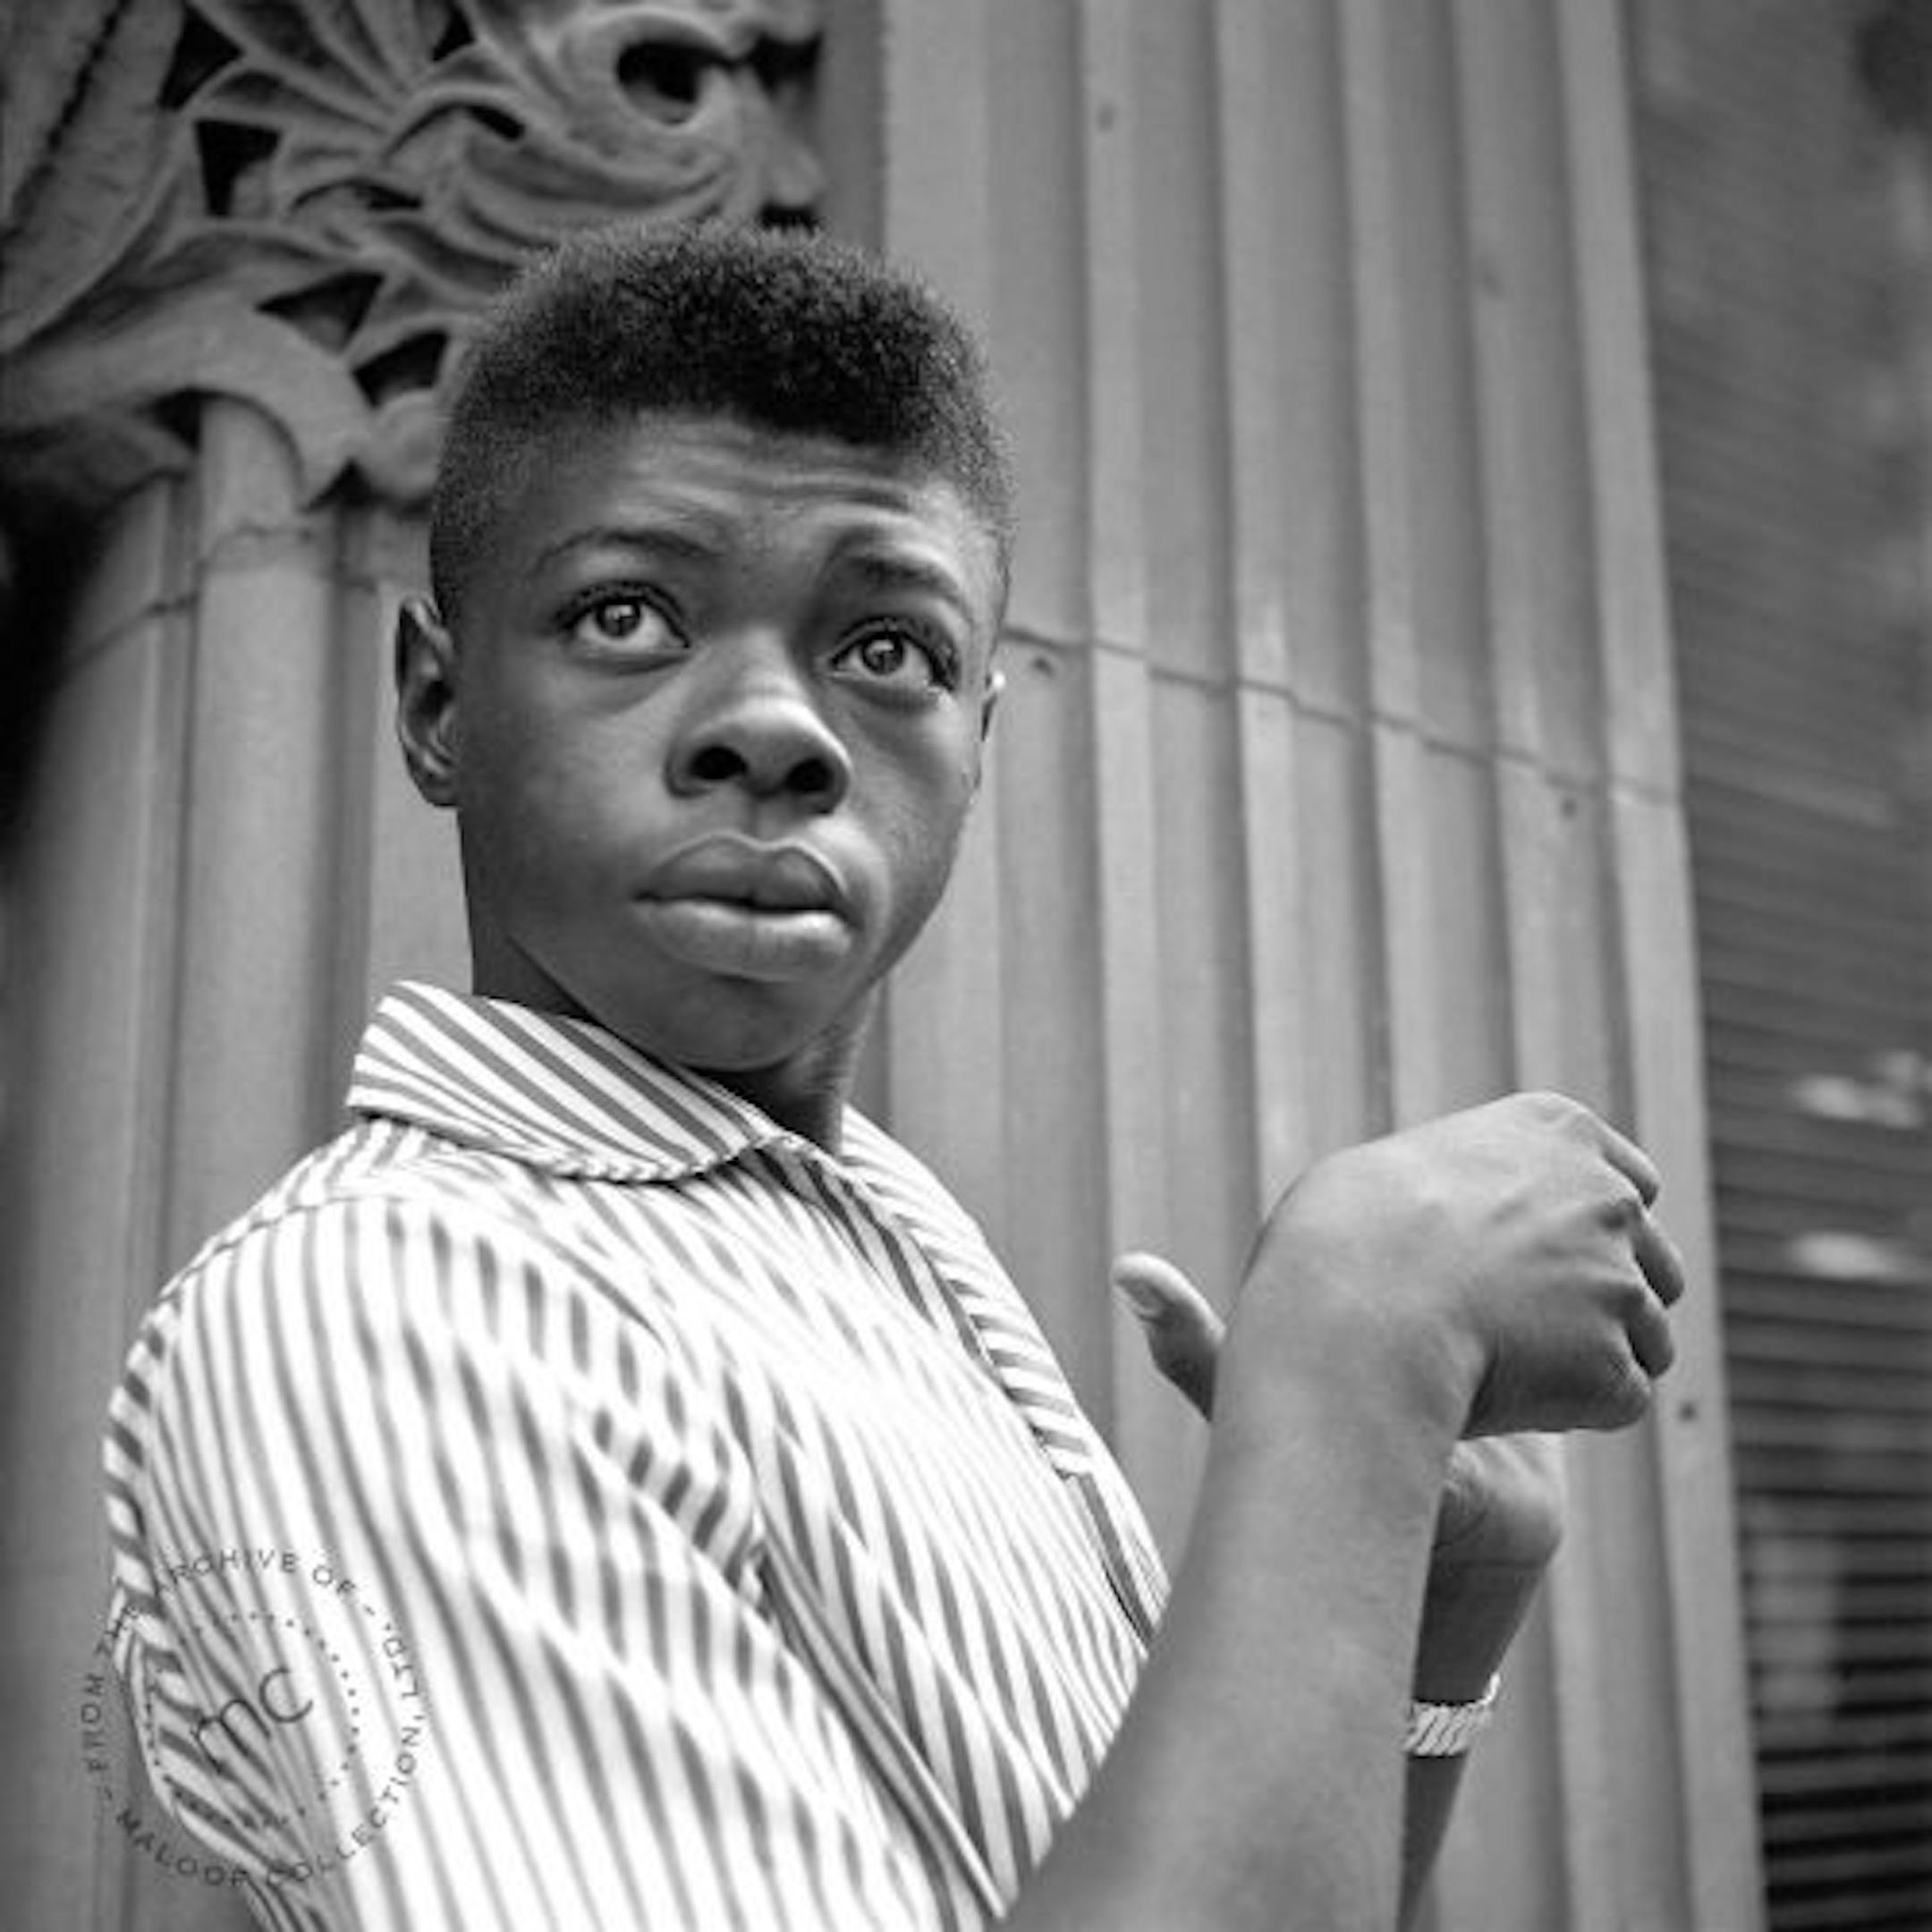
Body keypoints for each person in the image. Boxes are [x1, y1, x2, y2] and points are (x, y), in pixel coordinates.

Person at [103, 221, 1684, 1931]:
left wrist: (1429, 1601)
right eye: (627, 613)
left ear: (978, 745)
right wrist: (1360, 1343)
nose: (775, 725)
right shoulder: (378, 1304)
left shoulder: (886, 1234)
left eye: (887, 651)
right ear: (437, 705)